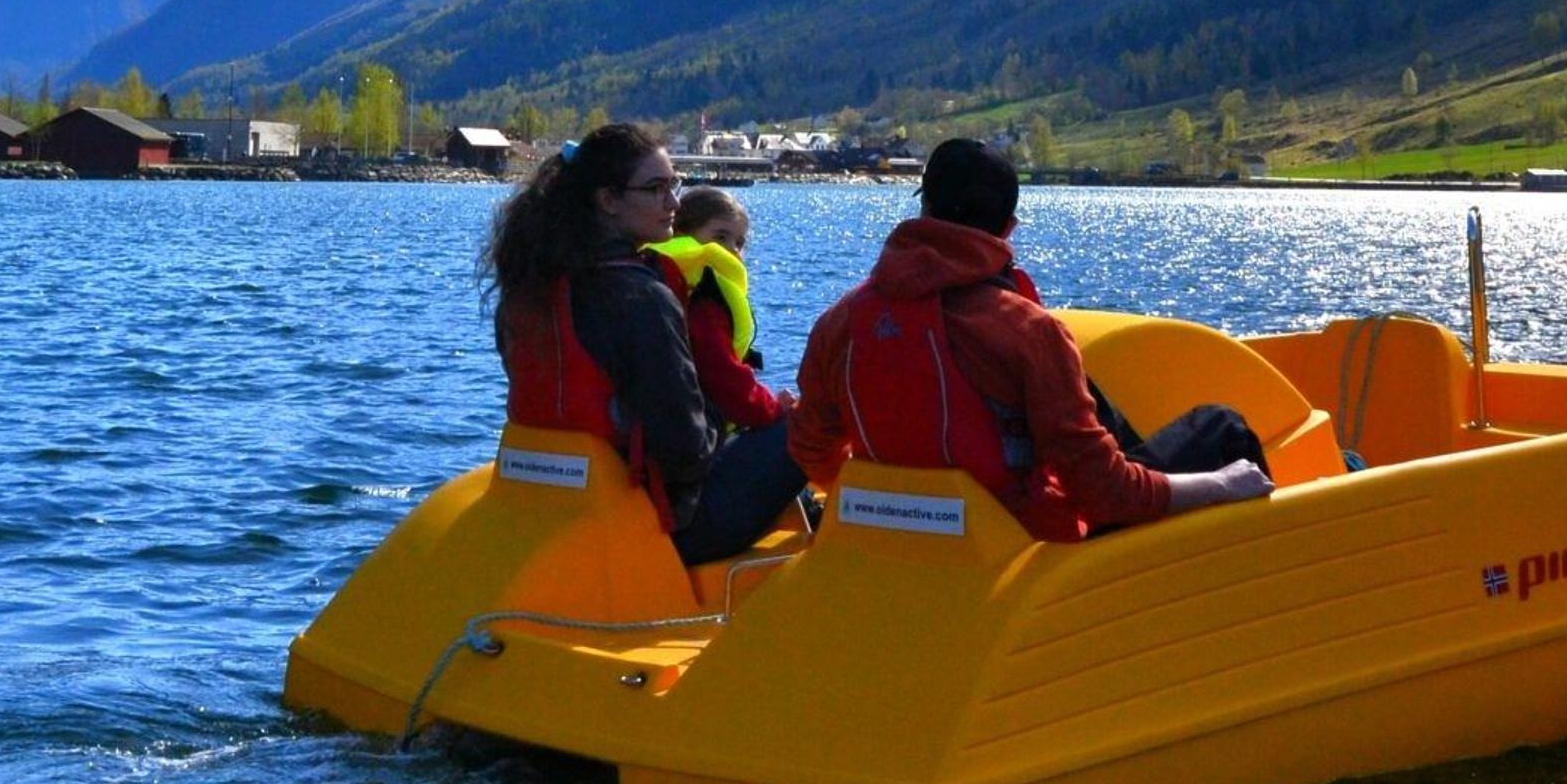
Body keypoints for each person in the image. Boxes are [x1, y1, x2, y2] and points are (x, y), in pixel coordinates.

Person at [785, 137, 1273, 540]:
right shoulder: (1028, 331)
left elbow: (812, 451)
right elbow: (1106, 494)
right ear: (1008, 228)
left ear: (925, 209)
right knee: (1222, 428)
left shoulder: (839, 323)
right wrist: (1222, 484)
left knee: (1095, 398)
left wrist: (894, 504)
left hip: (900, 540)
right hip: (1024, 550)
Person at [482, 124, 812, 566]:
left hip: (554, 502)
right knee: (807, 425)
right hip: (659, 525)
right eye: (656, 189)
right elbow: (687, 453)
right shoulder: (643, 299)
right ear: (608, 200)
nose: (673, 203)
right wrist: (729, 413)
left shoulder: (529, 289)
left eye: (673, 185)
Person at [644, 186, 785, 437]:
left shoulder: (655, 275)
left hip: (683, 425)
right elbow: (722, 377)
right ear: (682, 233)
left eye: (740, 243)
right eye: (720, 237)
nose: (732, 250)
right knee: (800, 430)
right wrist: (775, 407)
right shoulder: (704, 294)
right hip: (701, 435)